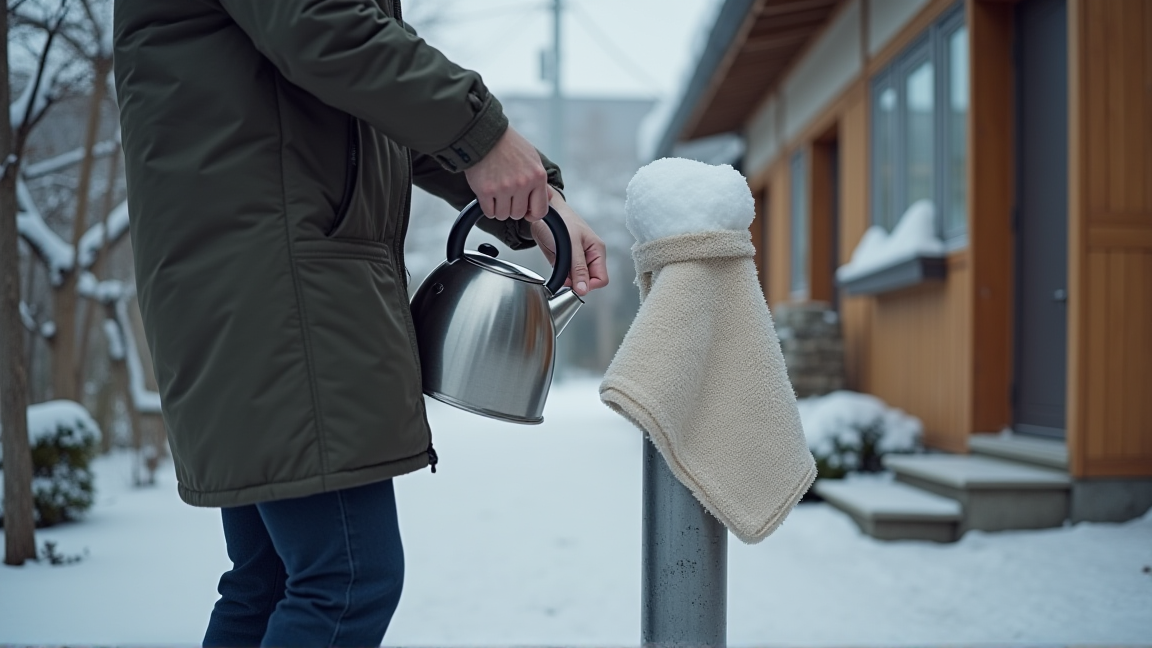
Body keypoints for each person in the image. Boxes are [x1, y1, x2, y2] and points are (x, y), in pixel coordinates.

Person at [112, 1, 609, 645]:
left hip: (256, 275)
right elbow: (324, 26)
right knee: (345, 581)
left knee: (267, 579)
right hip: (280, 281)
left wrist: (534, 205)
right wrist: (484, 135)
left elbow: (369, 101)